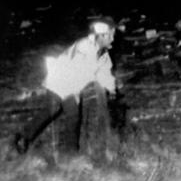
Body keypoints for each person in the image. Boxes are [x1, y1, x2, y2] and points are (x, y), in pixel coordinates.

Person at [14, 17, 119, 155]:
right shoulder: (84, 46)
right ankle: (69, 154)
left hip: (70, 85)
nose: (112, 39)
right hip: (59, 81)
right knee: (70, 114)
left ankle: (24, 136)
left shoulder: (103, 54)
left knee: (54, 111)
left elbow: (104, 72)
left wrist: (111, 89)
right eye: (110, 35)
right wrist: (74, 94)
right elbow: (78, 70)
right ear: (102, 35)